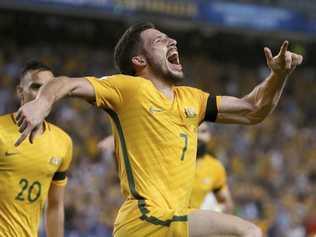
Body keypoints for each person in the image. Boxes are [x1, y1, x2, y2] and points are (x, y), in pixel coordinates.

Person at [14, 22, 303, 237]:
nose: (171, 40)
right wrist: (42, 103)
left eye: (169, 37)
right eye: (159, 41)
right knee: (247, 233)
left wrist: (277, 76)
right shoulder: (129, 88)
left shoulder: (193, 99)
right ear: (139, 61)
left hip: (171, 222)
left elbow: (253, 109)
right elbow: (67, 82)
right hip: (144, 222)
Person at [0, 61, 73, 237]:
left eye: (48, 89)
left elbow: (55, 206)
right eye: (36, 87)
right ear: (20, 92)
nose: (42, 95)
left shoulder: (63, 142)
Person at [190, 122, 234, 213]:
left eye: (203, 131)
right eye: (194, 131)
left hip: (196, 222)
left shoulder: (215, 167)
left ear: (209, 135)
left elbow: (227, 204)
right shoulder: (171, 161)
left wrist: (216, 210)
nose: (198, 136)